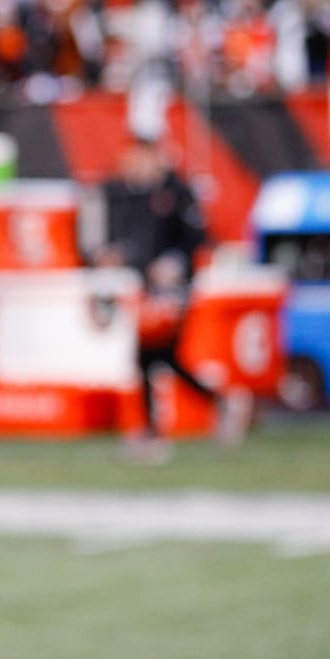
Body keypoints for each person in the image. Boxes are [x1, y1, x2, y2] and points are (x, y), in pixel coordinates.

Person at [94, 137, 251, 459]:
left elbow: (196, 237)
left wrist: (174, 262)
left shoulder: (177, 192)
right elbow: (136, 241)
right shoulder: (135, 194)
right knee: (156, 358)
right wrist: (120, 255)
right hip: (147, 287)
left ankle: (157, 430)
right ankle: (217, 404)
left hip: (173, 288)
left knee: (153, 356)